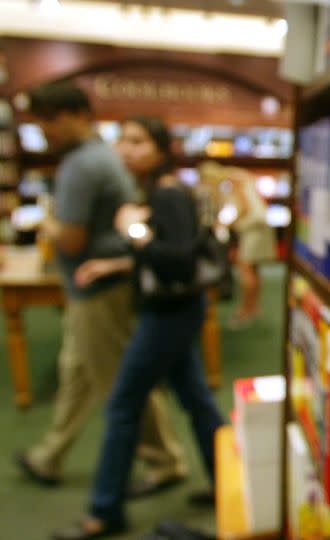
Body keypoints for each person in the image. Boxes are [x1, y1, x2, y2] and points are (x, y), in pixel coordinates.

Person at [52, 116, 225, 540]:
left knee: (123, 404)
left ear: (161, 147)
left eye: (136, 141)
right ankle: (229, 480)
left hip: (170, 313)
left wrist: (132, 230)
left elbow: (178, 261)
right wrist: (116, 260)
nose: (125, 149)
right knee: (196, 400)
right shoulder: (155, 192)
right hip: (172, 309)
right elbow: (164, 256)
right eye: (121, 140)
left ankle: (104, 510)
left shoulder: (167, 195)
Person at [16, 83, 187, 495]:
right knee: (76, 374)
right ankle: (50, 454)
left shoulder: (84, 165)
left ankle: (165, 461)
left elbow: (73, 239)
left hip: (100, 288)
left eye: (51, 120)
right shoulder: (93, 159)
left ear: (76, 115)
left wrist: (46, 220)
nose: (45, 131)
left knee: (122, 383)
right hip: (93, 287)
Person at [198, 161, 276, 328]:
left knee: (246, 268)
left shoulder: (234, 179)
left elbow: (244, 207)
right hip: (258, 228)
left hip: (253, 230)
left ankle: (246, 310)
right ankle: (253, 307)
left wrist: (227, 223)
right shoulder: (239, 176)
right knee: (253, 270)